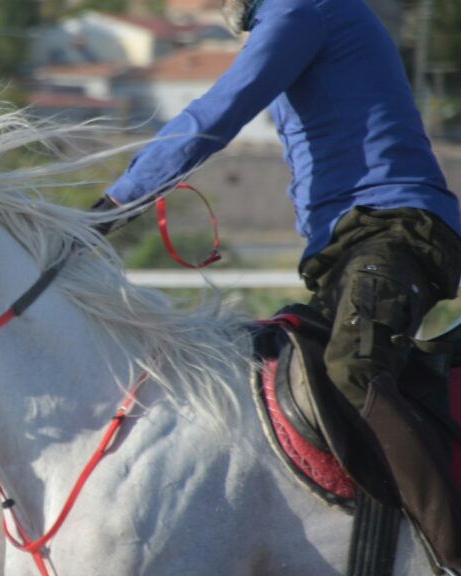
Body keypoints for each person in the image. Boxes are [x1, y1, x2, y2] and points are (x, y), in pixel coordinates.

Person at [98, 0, 461, 569]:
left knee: (353, 369)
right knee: (291, 381)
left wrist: (113, 207)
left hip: (395, 228)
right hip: (348, 246)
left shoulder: (302, 8)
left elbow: (217, 113)